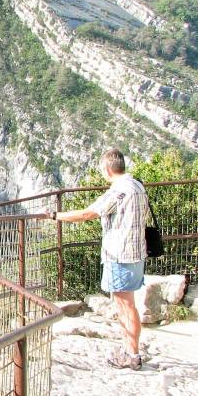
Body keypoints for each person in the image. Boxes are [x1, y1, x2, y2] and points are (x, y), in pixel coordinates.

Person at [45, 148, 148, 370]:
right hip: (137, 252)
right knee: (127, 304)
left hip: (120, 254)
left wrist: (55, 216)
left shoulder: (118, 191)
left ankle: (132, 355)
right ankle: (129, 349)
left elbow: (87, 214)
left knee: (125, 306)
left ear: (107, 170)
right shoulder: (138, 185)